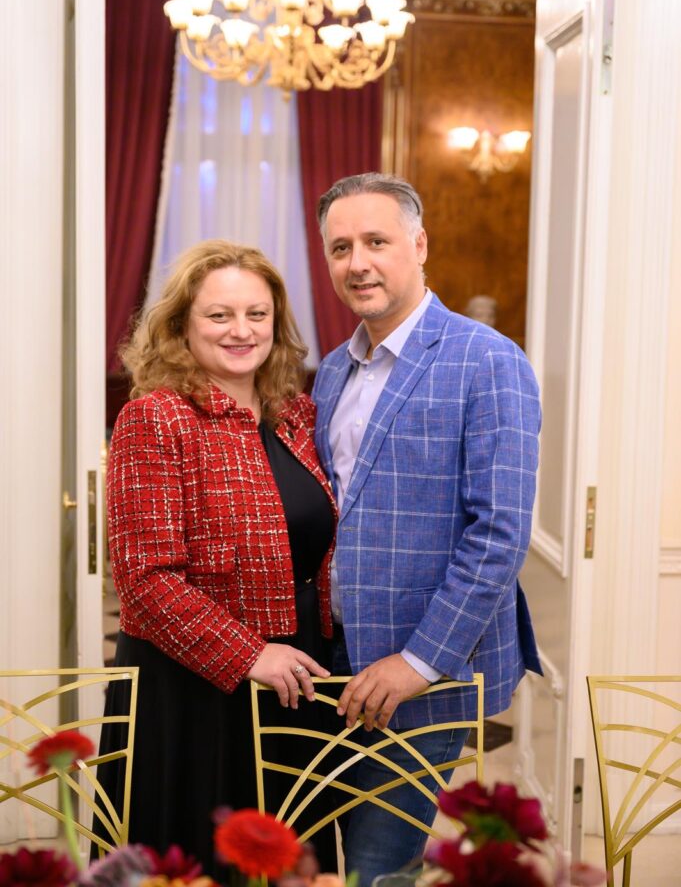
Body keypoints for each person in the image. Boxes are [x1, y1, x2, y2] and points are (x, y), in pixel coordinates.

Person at [311, 173, 542, 885]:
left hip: (423, 670)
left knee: (379, 865)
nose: (357, 263)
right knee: (325, 852)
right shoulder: (332, 370)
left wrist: (416, 663)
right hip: (329, 659)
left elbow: (498, 534)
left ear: (419, 245)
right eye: (340, 247)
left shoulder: (488, 360)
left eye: (376, 242)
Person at [98, 240, 337, 875]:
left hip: (298, 677)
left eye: (257, 314)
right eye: (219, 315)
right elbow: (145, 579)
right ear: (182, 325)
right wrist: (250, 654)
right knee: (199, 867)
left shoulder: (297, 415)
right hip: (193, 692)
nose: (241, 330)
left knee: (291, 862)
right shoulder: (154, 419)